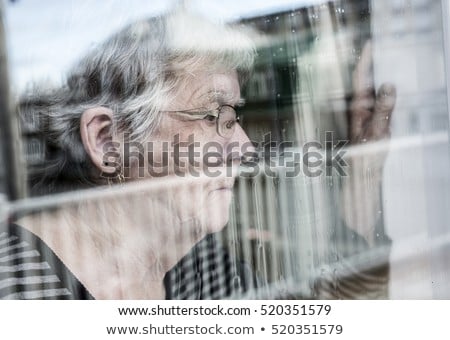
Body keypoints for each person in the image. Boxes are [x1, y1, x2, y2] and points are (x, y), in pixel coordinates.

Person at [0, 6, 395, 299]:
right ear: (108, 141)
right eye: (212, 116)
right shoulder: (18, 289)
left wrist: (363, 172)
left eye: (234, 116)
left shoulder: (197, 266)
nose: (243, 147)